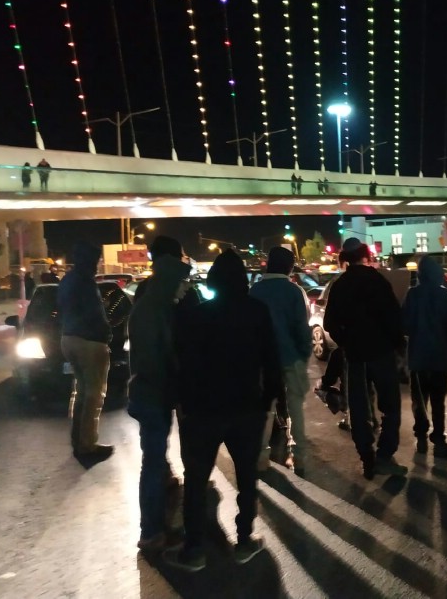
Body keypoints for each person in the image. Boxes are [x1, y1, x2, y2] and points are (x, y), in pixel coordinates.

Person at [167, 249, 284, 572]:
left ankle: (194, 549)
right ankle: (244, 539)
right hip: (247, 406)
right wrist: (268, 399)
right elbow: (272, 361)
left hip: (204, 409)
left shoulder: (197, 315)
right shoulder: (257, 311)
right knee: (247, 476)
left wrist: (185, 403)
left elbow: (184, 364)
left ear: (214, 281)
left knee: (196, 479)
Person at [323, 237, 408, 480]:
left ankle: (367, 459)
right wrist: (398, 345)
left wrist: (346, 342)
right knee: (390, 406)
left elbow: (329, 324)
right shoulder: (377, 281)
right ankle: (384, 456)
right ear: (365, 255)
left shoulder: (340, 285)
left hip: (355, 356)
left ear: (345, 259)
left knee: (359, 409)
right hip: (381, 353)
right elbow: (393, 318)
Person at [127, 250, 193, 553]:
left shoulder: (151, 307)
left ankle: (153, 527)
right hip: (153, 396)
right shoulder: (155, 312)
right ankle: (151, 532)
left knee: (153, 463)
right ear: (170, 282)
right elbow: (157, 361)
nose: (186, 288)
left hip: (149, 395)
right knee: (153, 465)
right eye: (182, 282)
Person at [250, 246, 312, 476]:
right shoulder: (294, 291)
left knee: (265, 409)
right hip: (291, 357)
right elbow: (301, 327)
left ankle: (261, 458)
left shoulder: (255, 290)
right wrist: (304, 354)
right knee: (296, 407)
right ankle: (299, 457)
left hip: (263, 360)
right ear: (290, 267)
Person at [402, 255, 447, 460]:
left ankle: (421, 437)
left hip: (418, 359)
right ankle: (438, 440)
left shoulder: (412, 295)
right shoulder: (444, 296)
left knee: (419, 400)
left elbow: (404, 325)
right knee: (438, 402)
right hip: (439, 358)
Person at [58, 241, 114, 463]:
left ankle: (78, 439)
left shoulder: (67, 280)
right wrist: (106, 333)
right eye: (97, 260)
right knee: (93, 394)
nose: (98, 265)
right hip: (89, 341)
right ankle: (87, 445)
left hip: (68, 338)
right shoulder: (86, 282)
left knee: (80, 392)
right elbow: (95, 314)